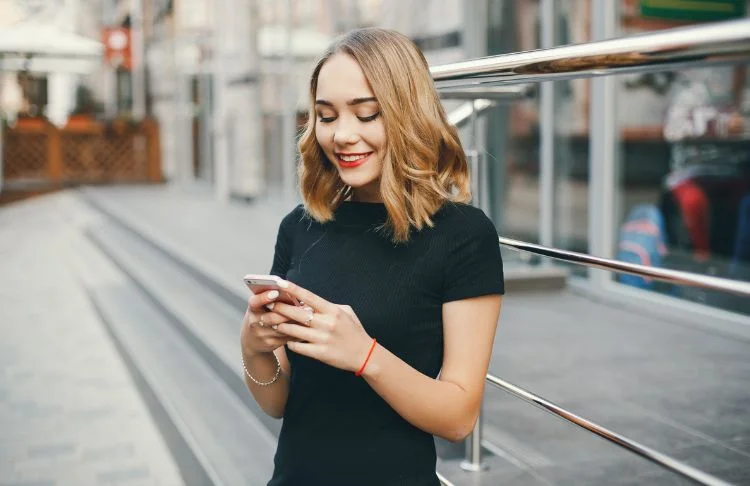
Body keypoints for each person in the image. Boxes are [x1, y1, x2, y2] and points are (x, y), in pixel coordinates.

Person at [240, 28, 505, 486]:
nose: (342, 135)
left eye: (366, 115)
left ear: (409, 114)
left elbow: (458, 418)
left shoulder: (463, 235)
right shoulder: (299, 227)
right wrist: (254, 347)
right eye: (326, 116)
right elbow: (278, 403)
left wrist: (363, 355)